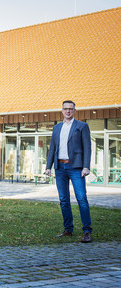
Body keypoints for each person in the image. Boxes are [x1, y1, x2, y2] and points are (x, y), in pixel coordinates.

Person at [45, 100, 92, 243]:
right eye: (65, 109)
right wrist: (48, 166)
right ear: (62, 110)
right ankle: (68, 229)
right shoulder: (56, 128)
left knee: (81, 199)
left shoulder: (82, 126)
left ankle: (87, 231)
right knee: (64, 200)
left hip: (76, 167)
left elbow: (87, 148)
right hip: (60, 168)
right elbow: (52, 148)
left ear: (74, 111)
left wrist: (86, 166)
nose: (68, 111)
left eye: (70, 109)